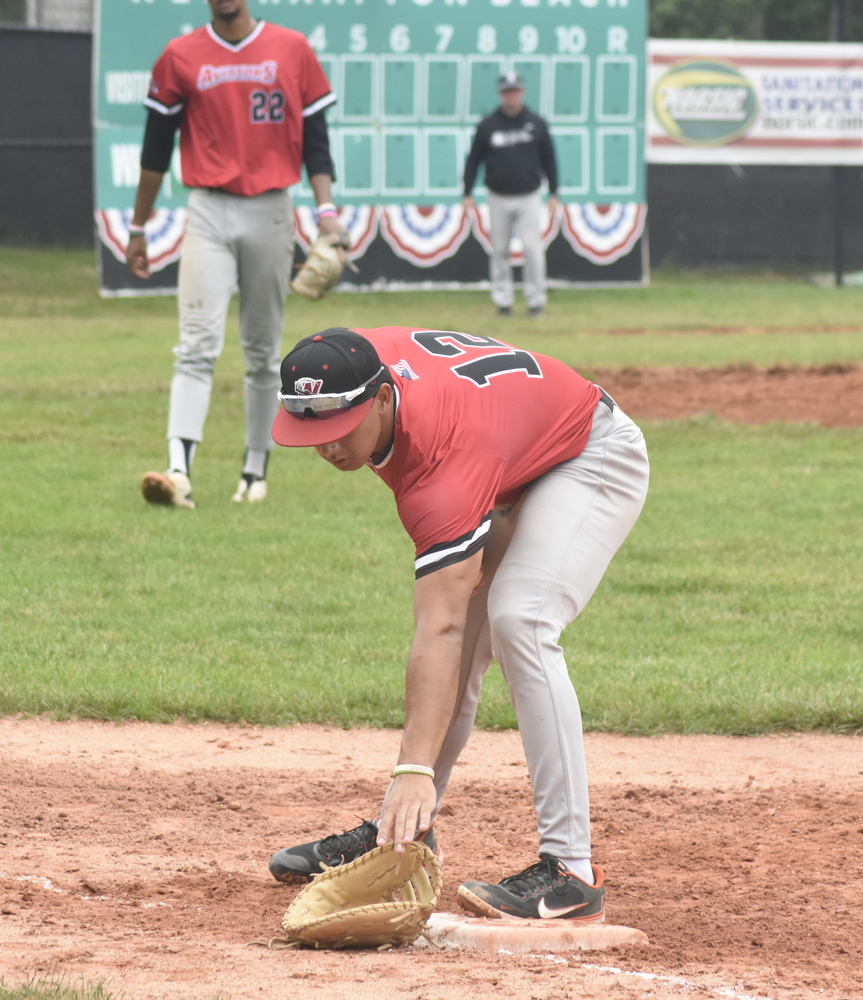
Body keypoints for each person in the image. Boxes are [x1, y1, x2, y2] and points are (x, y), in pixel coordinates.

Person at [264, 327, 649, 922]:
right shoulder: (352, 361)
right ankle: (406, 830)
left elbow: (437, 629)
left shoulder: (440, 470)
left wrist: (412, 769)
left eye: (339, 430)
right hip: (508, 459)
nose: (328, 448)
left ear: (383, 399)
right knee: (469, 637)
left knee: (520, 618)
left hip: (585, 453)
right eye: (312, 433)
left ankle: (571, 871)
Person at [133, 0, 342, 509]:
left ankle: (254, 470)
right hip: (208, 207)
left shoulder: (291, 48)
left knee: (262, 350)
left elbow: (316, 141)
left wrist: (327, 212)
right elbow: (156, 149)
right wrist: (138, 225)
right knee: (197, 344)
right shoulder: (180, 55)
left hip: (271, 208)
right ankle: (178, 471)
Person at [463, 72, 560, 320]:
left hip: (529, 194)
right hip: (498, 195)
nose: (511, 95)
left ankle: (536, 302)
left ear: (522, 92)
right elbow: (473, 160)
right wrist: (467, 191)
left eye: (515, 90)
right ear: (500, 93)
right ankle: (503, 302)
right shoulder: (488, 125)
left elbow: (549, 158)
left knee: (532, 248)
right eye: (507, 91)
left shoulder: (536, 123)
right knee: (499, 250)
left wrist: (554, 191)